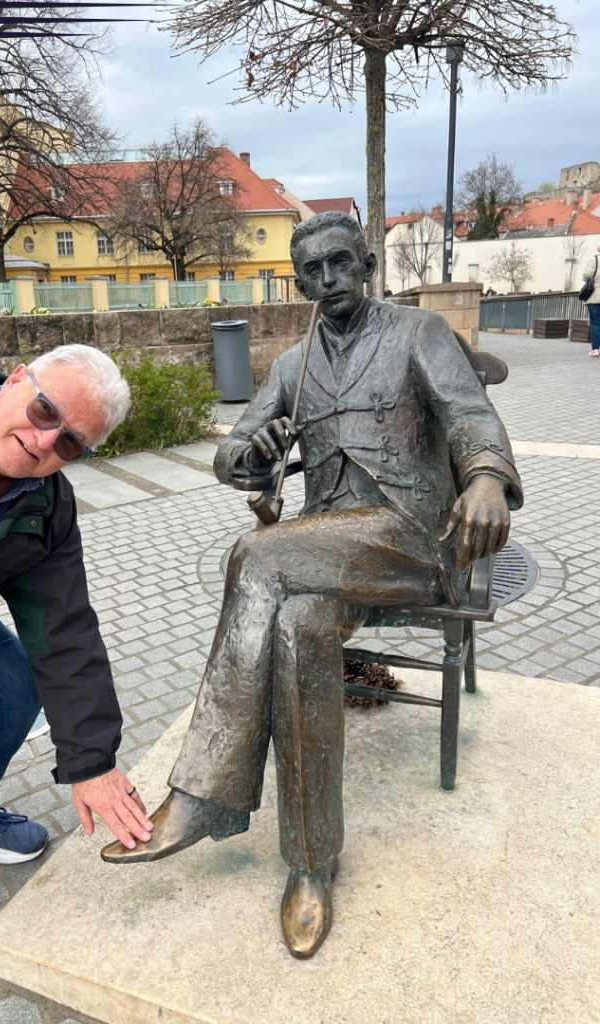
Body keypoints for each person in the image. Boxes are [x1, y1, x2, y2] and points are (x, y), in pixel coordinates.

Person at [102, 212, 522, 959]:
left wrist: (486, 478)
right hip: (323, 551)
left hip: (409, 538)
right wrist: (245, 455)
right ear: (296, 280)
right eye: (311, 271)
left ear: (365, 262)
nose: (327, 281)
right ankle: (309, 863)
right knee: (296, 631)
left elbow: (469, 417)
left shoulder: (417, 334)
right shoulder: (291, 366)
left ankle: (204, 795)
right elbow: (234, 448)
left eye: (339, 264)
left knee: (255, 555)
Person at [0, 345, 154, 871]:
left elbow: (64, 631)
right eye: (46, 410)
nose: (45, 440)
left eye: (70, 442)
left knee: (13, 688)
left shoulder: (46, 505)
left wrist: (91, 763)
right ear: (18, 376)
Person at [581, 244, 600, 357]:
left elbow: (586, 275)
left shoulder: (594, 260)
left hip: (594, 296)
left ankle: (595, 349)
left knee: (595, 323)